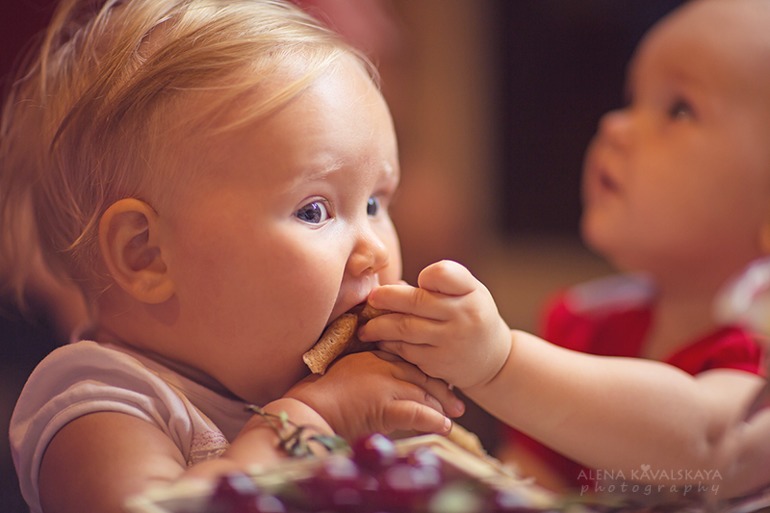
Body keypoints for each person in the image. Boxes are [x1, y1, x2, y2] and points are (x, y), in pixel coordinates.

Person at [1, 1, 466, 512]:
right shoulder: (99, 410)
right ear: (147, 255)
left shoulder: (282, 383)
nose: (374, 250)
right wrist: (310, 417)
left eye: (376, 203)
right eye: (314, 210)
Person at [359, 0, 770, 501]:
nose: (615, 126)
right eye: (630, 98)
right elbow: (532, 485)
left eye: (679, 109)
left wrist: (501, 364)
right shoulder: (583, 329)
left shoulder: (761, 342)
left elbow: (707, 446)